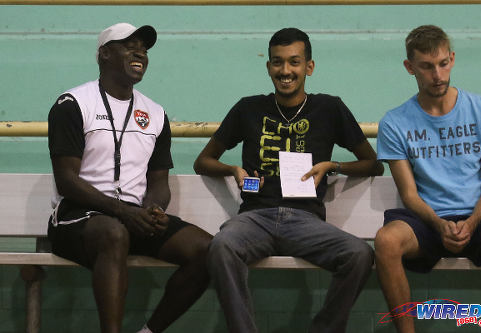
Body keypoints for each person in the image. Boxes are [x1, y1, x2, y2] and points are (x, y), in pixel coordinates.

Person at [193, 27, 384, 333]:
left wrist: (332, 166)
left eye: (294, 62)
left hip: (305, 219)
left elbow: (374, 164)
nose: (285, 71)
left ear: (309, 66)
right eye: (277, 62)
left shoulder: (329, 107)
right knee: (221, 247)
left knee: (360, 254)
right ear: (268, 66)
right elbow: (202, 161)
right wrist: (232, 170)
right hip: (254, 217)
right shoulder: (248, 108)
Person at [47, 23, 212, 333]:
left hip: (131, 216)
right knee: (113, 233)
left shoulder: (156, 113)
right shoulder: (72, 104)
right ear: (104, 55)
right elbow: (67, 180)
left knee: (208, 250)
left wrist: (154, 210)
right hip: (78, 218)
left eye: (144, 48)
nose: (140, 52)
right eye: (128, 45)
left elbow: (159, 181)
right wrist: (123, 211)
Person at [375, 25, 481, 332]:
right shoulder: (394, 122)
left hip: (479, 218)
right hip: (426, 223)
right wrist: (440, 224)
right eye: (427, 67)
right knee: (386, 241)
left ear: (452, 59)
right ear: (410, 67)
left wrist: (470, 224)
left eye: (443, 64)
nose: (438, 75)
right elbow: (410, 194)